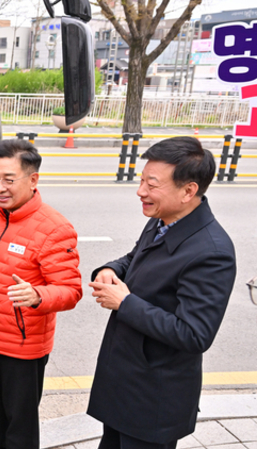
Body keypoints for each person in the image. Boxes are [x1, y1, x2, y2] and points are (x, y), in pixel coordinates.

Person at [87, 137, 237, 449]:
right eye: (142, 180)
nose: (141, 191)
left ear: (188, 191)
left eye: (152, 185)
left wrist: (125, 303)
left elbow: (194, 334)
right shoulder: (163, 220)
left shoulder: (212, 252)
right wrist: (112, 270)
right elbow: (135, 257)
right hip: (123, 385)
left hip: (152, 400)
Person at [0, 139, 82, 449]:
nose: (0, 187)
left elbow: (71, 290)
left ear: (33, 179)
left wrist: (38, 295)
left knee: (20, 429)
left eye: (9, 180)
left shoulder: (54, 228)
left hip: (22, 348)